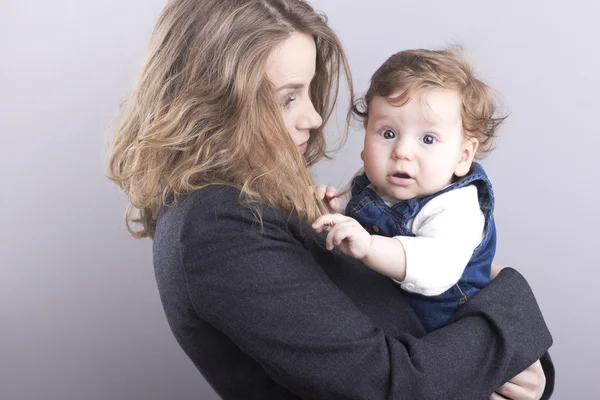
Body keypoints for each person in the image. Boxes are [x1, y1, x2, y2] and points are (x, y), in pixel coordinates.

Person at [107, 0, 554, 399]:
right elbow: (387, 384)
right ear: (213, 103)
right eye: (287, 98)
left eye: (308, 89)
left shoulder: (257, 198)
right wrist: (513, 315)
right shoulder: (213, 227)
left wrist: (527, 372)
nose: (315, 116)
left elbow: (405, 309)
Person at [312, 48, 504, 332]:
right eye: (387, 134)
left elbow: (434, 268)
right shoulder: (376, 180)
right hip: (387, 317)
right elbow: (355, 211)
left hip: (443, 334)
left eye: (427, 139)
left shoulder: (458, 207)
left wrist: (368, 247)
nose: (401, 151)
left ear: (463, 156)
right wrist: (332, 208)